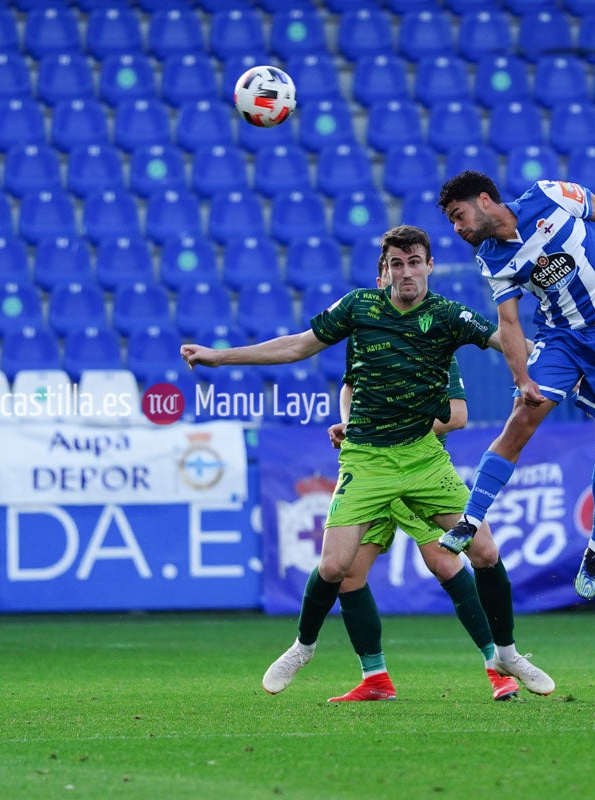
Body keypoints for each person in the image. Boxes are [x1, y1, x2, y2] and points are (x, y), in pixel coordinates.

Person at [180, 225, 554, 700]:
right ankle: (303, 647)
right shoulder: (359, 309)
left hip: (422, 457)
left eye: (414, 262)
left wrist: (554, 368)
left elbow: (505, 340)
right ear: (386, 270)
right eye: (396, 264)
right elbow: (298, 345)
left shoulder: (448, 317)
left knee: (482, 552)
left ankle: (507, 654)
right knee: (336, 567)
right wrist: (222, 357)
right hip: (369, 458)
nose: (405, 273)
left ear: (429, 265)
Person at [435, 171, 595, 600]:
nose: (457, 228)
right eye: (452, 222)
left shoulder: (549, 195)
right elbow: (508, 322)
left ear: (484, 200)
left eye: (458, 215)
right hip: (561, 339)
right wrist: (522, 377)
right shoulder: (491, 258)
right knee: (521, 418)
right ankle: (470, 520)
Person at [322, 257, 520, 703]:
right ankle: (375, 678)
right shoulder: (367, 341)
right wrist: (353, 427)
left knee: (447, 562)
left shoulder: (433, 343)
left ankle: (498, 667)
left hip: (416, 473)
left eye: (409, 267)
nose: (397, 279)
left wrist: (393, 432)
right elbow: (349, 390)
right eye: (390, 272)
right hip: (371, 473)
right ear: (381, 282)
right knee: (348, 574)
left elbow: (459, 415)